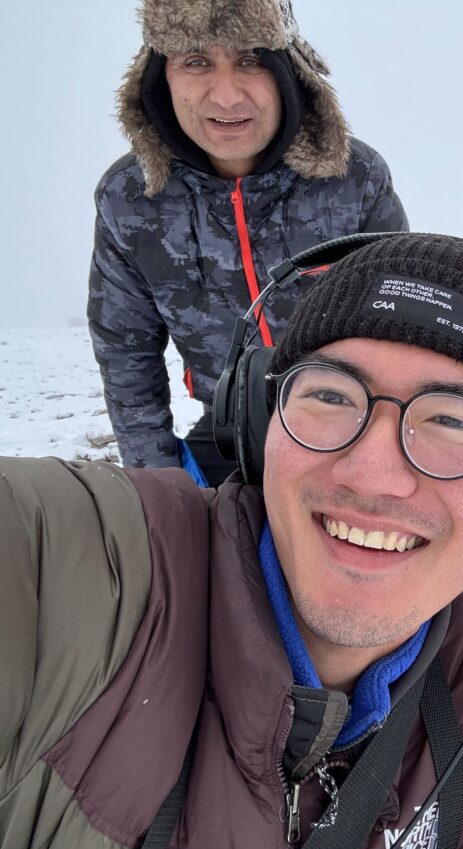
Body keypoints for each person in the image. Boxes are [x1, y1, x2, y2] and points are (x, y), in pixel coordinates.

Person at [0, 234, 463, 849]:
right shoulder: (88, 576)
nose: (373, 472)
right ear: (263, 429)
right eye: (330, 397)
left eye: (454, 421)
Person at [88, 0, 409, 486]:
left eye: (251, 60)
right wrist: (159, 482)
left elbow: (401, 323)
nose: (227, 96)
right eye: (195, 62)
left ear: (287, 70)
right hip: (230, 425)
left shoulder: (354, 177)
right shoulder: (129, 198)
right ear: (161, 77)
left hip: (352, 423)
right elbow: (126, 355)